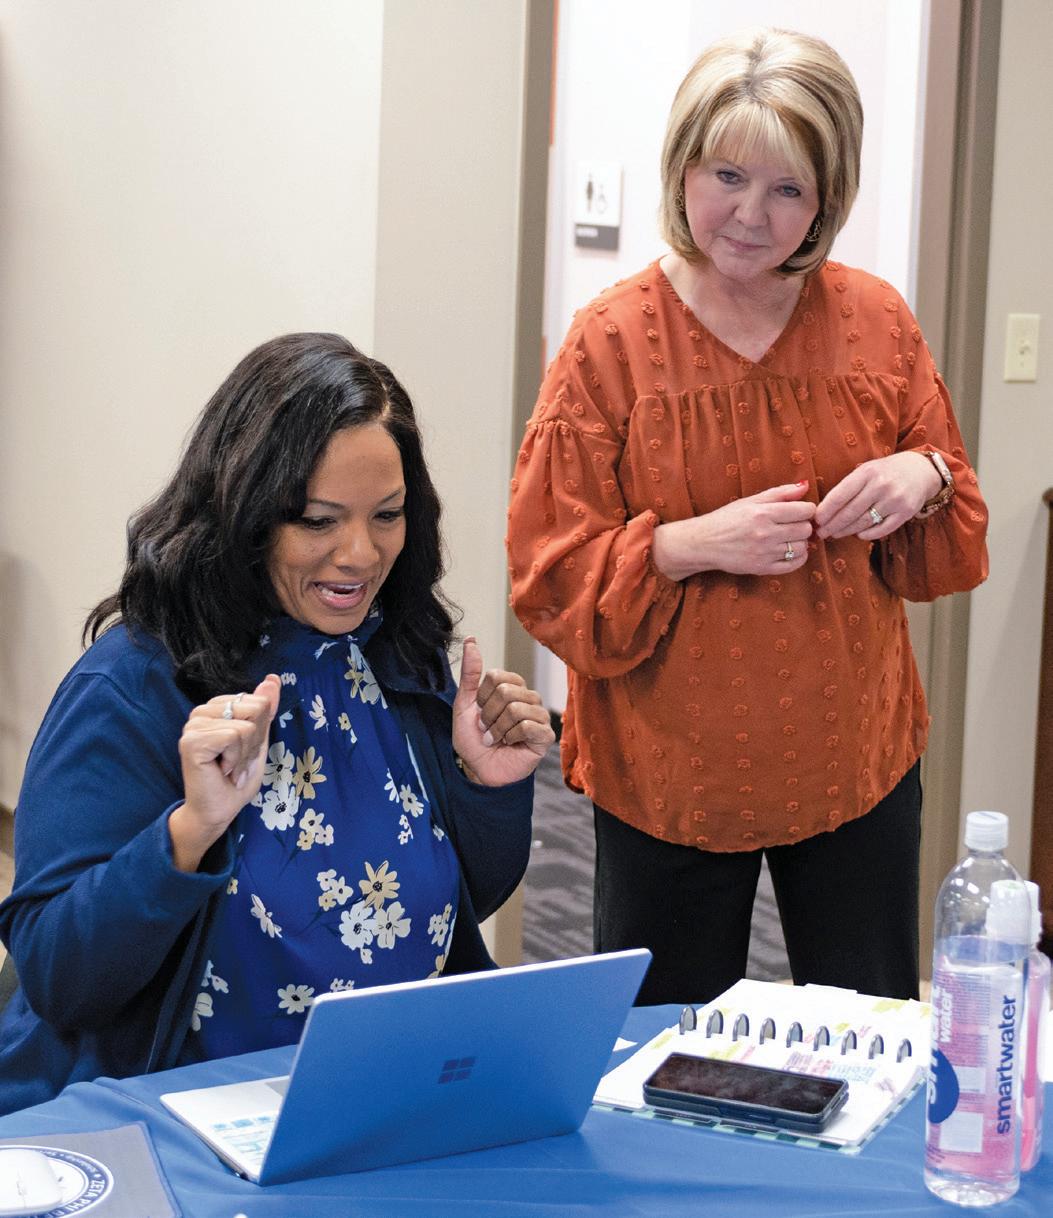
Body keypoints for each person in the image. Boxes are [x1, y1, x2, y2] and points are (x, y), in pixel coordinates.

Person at [506, 28, 988, 1007]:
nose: (750, 216)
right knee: (660, 1055)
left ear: (827, 200)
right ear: (683, 166)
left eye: (787, 189)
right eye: (726, 175)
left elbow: (952, 524)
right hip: (669, 770)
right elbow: (548, 576)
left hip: (852, 757)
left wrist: (923, 474)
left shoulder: (876, 322)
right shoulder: (610, 344)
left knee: (868, 1037)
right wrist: (685, 545)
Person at [0, 332, 554, 1115]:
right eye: (319, 521)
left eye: (387, 516)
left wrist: (486, 789)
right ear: (244, 517)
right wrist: (186, 834)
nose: (359, 554)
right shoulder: (132, 685)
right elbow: (60, 978)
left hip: (373, 1096)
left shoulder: (396, 653)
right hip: (183, 1115)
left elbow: (442, 911)